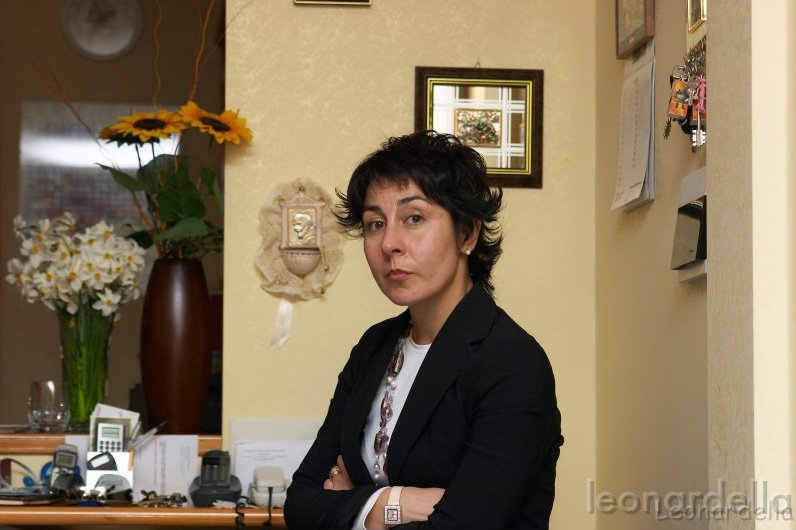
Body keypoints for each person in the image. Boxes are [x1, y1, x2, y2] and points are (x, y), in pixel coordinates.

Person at [284, 131, 563, 530]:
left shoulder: (512, 362)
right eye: (375, 223)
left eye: (414, 218)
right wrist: (394, 502)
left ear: (467, 233)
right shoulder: (374, 346)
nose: (389, 244)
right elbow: (300, 504)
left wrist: (351, 504)